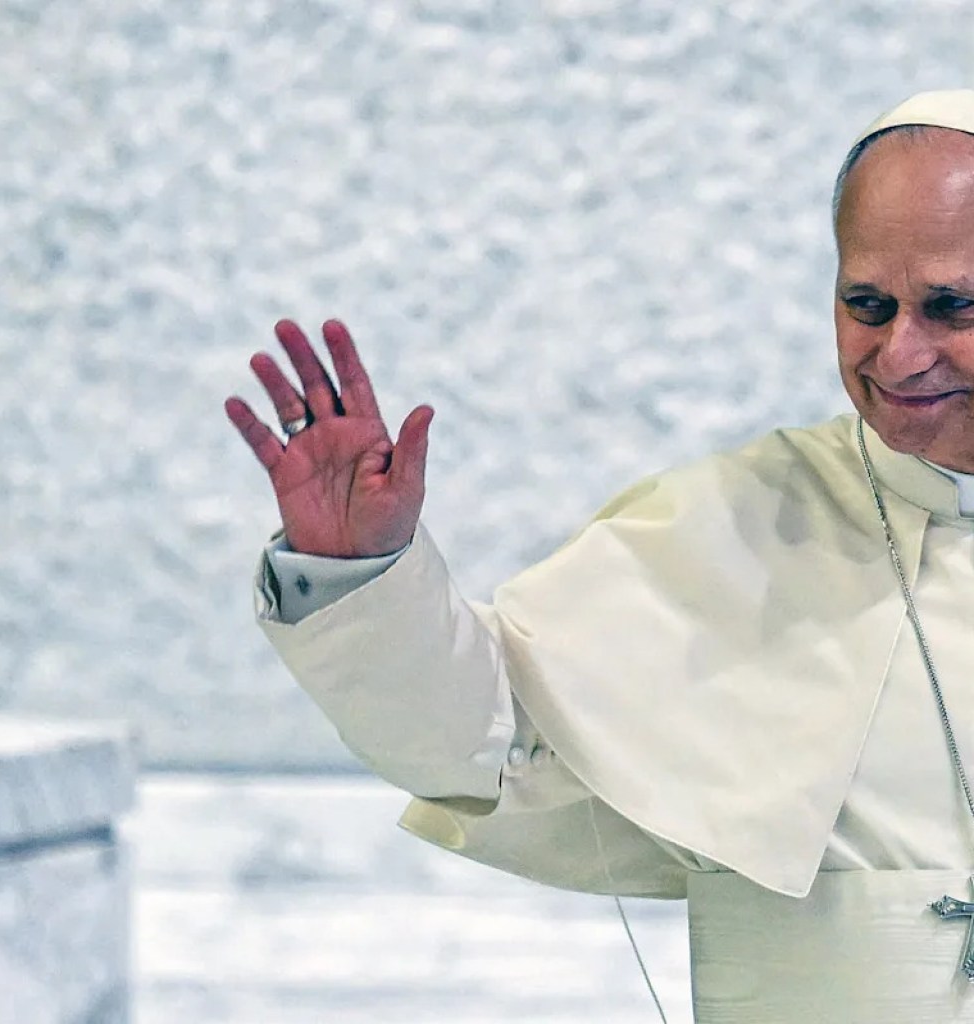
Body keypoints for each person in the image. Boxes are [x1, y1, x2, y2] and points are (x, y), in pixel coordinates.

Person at [225, 90, 974, 1022]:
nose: (900, 355)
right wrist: (363, 578)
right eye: (867, 304)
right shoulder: (740, 527)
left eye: (953, 307)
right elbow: (486, 746)